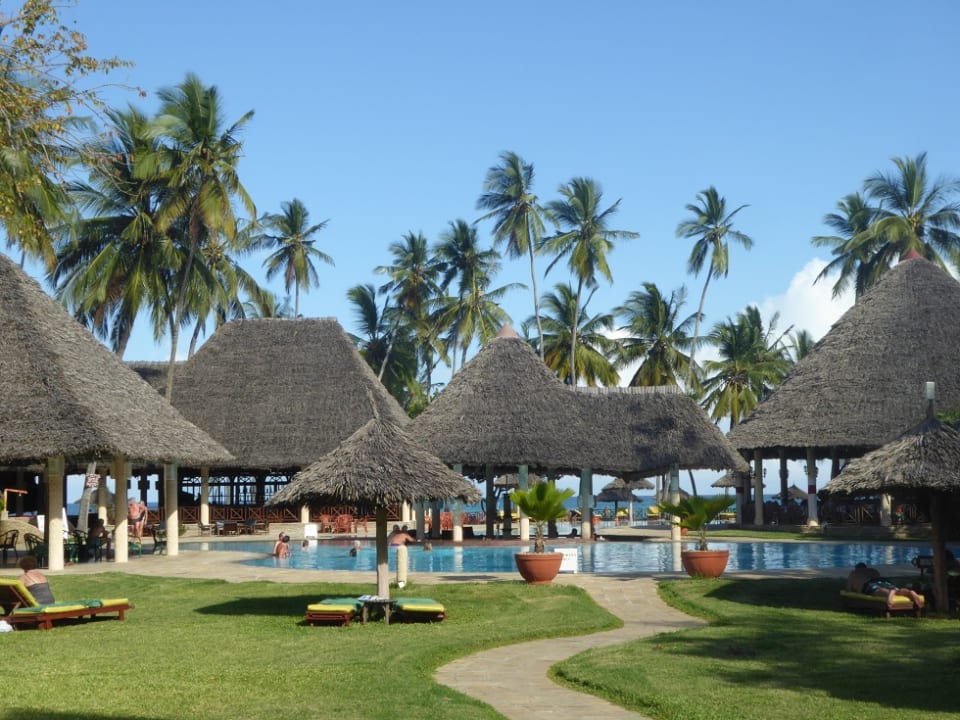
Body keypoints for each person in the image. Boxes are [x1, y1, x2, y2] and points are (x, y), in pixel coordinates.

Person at [846, 562, 923, 609]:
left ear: (856, 568)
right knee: (896, 590)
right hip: (882, 580)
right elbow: (878, 578)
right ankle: (909, 592)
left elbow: (849, 590)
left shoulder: (853, 573)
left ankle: (890, 593)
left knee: (877, 590)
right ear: (865, 567)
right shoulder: (873, 570)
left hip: (868, 583)